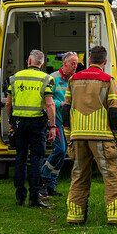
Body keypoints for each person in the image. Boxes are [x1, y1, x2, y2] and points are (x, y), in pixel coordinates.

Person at [63, 46, 117, 225]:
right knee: (111, 176)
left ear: (89, 59)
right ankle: (115, 217)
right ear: (105, 62)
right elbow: (115, 112)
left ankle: (75, 216)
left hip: (77, 136)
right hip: (102, 136)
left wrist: (69, 135)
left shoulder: (73, 79)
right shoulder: (108, 80)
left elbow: (65, 109)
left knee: (78, 175)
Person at [5, 49, 56, 208]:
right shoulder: (46, 79)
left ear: (29, 61)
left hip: (19, 123)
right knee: (36, 159)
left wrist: (11, 121)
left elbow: (8, 103)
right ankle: (34, 198)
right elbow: (49, 104)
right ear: (42, 63)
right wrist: (52, 125)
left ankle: (19, 196)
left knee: (20, 158)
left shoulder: (15, 78)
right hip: (37, 124)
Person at [40, 51, 78, 198]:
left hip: (70, 121)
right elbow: (46, 101)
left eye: (76, 63)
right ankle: (43, 177)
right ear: (64, 63)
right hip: (57, 121)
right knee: (60, 150)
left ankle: (51, 185)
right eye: (72, 63)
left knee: (63, 154)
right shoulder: (53, 79)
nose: (75, 66)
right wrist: (60, 103)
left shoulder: (74, 79)